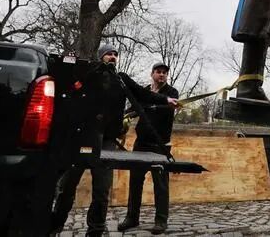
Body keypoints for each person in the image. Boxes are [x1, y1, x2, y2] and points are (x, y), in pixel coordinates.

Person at [49, 45, 177, 237]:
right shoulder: (91, 74)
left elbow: (142, 94)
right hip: (82, 139)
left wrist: (166, 100)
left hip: (107, 141)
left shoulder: (121, 79)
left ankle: (95, 231)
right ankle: (55, 226)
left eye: (115, 54)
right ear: (101, 56)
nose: (113, 56)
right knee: (67, 187)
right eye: (109, 54)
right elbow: (69, 84)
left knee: (101, 191)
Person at [118, 62, 179, 234]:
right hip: (141, 143)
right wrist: (125, 117)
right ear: (152, 74)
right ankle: (132, 218)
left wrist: (147, 105)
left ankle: (161, 220)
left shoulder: (171, 93)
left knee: (161, 185)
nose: (162, 74)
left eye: (164, 72)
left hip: (160, 145)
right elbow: (132, 109)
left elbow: (163, 110)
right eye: (158, 71)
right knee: (135, 182)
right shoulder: (144, 91)